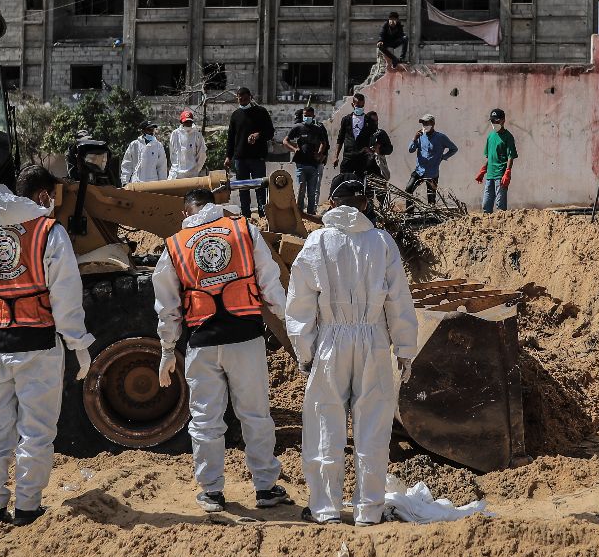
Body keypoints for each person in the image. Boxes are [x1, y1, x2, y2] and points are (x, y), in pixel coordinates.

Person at [0, 165, 94, 526]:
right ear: (42, 196)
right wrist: (78, 344)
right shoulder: (49, 233)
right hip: (38, 346)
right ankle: (26, 508)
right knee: (35, 431)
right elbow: (66, 296)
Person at [285, 174, 419, 526]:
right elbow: (399, 301)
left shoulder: (317, 242)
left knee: (324, 422)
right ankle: (368, 510)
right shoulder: (382, 242)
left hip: (331, 338)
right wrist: (404, 348)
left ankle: (326, 509)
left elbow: (299, 304)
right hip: (373, 339)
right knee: (373, 425)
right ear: (364, 205)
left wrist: (305, 352)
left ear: (332, 203)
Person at [153, 188, 292, 513]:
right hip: (245, 340)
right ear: (214, 209)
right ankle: (266, 488)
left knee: (205, 420)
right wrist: (290, 323)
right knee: (255, 415)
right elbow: (270, 282)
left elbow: (167, 307)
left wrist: (167, 350)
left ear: (187, 214)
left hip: (202, 343)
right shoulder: (244, 231)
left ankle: (212, 492)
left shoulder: (175, 245)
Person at [225, 87, 275, 218]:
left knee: (260, 186)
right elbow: (231, 137)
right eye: (240, 98)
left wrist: (258, 135)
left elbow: (270, 132)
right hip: (240, 158)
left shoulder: (261, 112)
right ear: (237, 98)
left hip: (257, 157)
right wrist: (228, 156)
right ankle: (246, 214)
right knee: (243, 188)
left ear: (250, 97)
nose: (242, 101)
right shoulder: (235, 115)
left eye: (245, 98)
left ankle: (263, 214)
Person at [284, 107, 329, 215]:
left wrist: (319, 153)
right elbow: (285, 141)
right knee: (301, 189)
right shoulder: (298, 127)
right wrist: (294, 149)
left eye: (309, 116)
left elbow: (324, 143)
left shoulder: (317, 129)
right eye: (305, 115)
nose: (307, 117)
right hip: (301, 163)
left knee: (312, 191)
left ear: (313, 116)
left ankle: (311, 213)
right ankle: (299, 212)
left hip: (313, 164)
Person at [406, 113, 457, 206]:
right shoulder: (420, 136)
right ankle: (409, 213)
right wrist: (414, 138)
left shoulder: (441, 137)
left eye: (426, 123)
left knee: (431, 196)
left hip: (432, 172)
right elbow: (410, 150)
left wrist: (444, 157)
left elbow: (454, 149)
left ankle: (431, 217)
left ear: (433, 124)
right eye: (423, 123)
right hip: (419, 170)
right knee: (408, 189)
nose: (424, 126)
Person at [477, 108, 517, 213]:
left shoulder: (508, 137)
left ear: (503, 120)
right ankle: (487, 226)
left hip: (501, 175)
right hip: (490, 175)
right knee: (486, 204)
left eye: (496, 121)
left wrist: (507, 172)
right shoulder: (490, 136)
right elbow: (489, 156)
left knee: (500, 206)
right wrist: (483, 170)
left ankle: (501, 226)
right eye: (492, 121)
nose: (494, 123)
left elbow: (510, 156)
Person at [334, 92, 376, 178]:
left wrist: (371, 151)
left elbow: (375, 137)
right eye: (358, 106)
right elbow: (340, 139)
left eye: (362, 106)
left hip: (362, 159)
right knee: (344, 181)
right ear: (353, 105)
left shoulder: (369, 121)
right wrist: (336, 156)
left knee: (360, 183)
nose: (360, 108)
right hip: (348, 157)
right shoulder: (346, 120)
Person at [121, 121, 167, 186]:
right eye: (149, 130)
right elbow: (127, 164)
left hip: (152, 184)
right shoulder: (134, 145)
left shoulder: (158, 146)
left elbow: (162, 167)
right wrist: (125, 181)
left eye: (152, 130)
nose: (151, 132)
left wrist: (163, 184)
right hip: (136, 182)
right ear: (142, 131)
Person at [169, 110, 207, 180]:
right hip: (176, 173)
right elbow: (172, 153)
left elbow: (202, 155)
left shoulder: (197, 135)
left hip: (192, 174)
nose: (188, 123)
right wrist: (175, 168)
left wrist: (196, 169)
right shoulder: (175, 134)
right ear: (181, 122)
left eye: (190, 121)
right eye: (186, 122)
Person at [366, 111, 393, 182]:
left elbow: (389, 149)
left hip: (378, 169)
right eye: (373, 121)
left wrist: (379, 150)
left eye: (376, 121)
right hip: (365, 169)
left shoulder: (381, 133)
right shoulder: (363, 134)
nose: (375, 123)